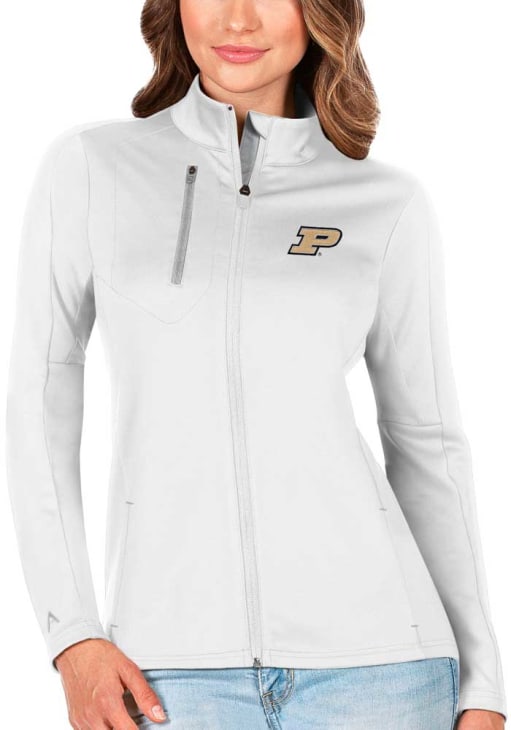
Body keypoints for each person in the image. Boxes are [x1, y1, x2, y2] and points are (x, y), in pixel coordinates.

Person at [5, 0, 507, 727]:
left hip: (383, 670)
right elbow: (36, 407)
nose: (237, 19)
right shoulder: (91, 167)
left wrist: (484, 684)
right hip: (166, 671)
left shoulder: (384, 201)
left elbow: (427, 444)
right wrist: (72, 634)